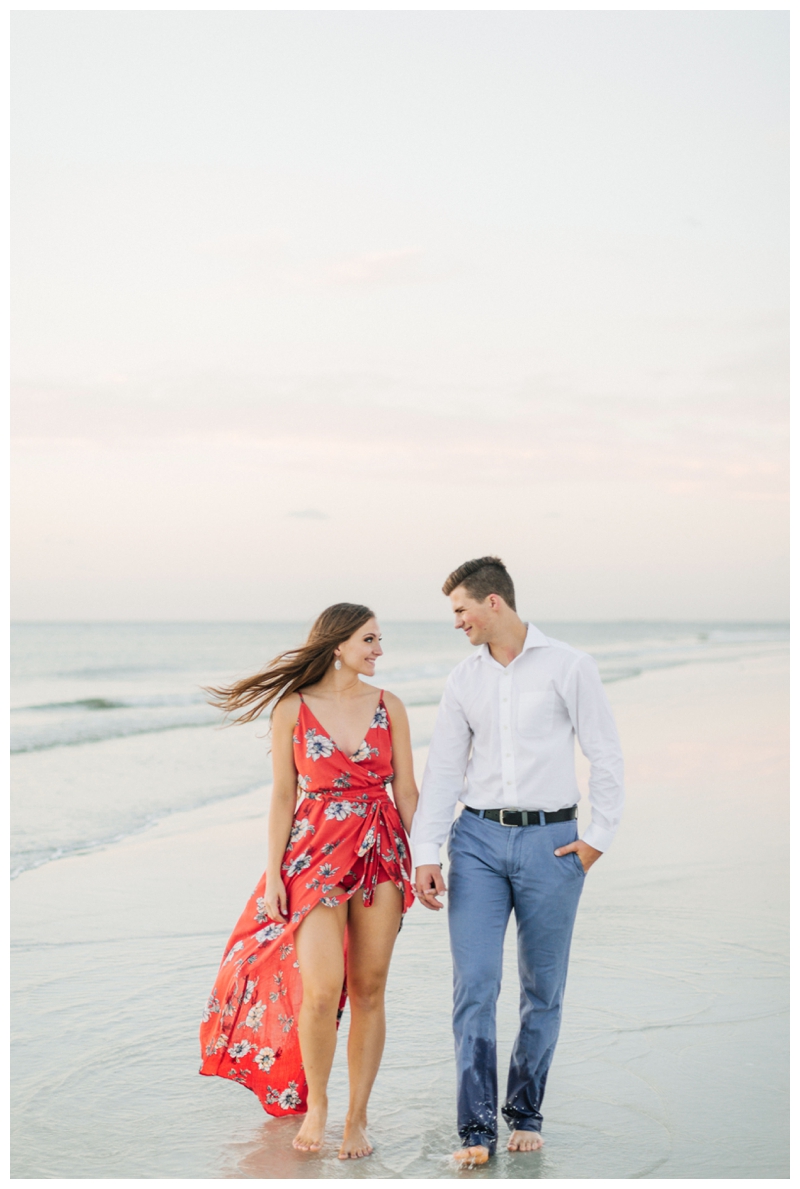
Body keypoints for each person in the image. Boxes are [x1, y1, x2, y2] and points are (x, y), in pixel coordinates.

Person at [411, 557, 624, 1166]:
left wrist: (597, 839)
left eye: (461, 610)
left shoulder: (569, 666)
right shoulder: (463, 681)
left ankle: (524, 1112)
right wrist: (428, 852)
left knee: (542, 987)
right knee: (474, 985)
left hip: (552, 845)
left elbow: (605, 754)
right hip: (475, 842)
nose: (457, 622)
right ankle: (476, 1129)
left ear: (493, 603)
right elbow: (445, 771)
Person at [199, 604, 417, 1160]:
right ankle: (317, 1104)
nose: (379, 650)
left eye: (379, 640)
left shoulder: (390, 706)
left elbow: (407, 791)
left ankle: (357, 1117)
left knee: (368, 990)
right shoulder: (292, 709)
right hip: (313, 856)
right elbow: (281, 796)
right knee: (320, 992)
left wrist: (430, 860)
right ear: (339, 643)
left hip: (380, 852)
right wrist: (274, 874)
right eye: (370, 639)